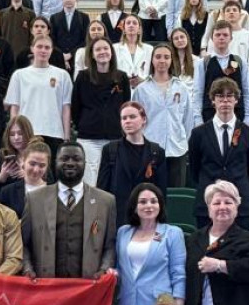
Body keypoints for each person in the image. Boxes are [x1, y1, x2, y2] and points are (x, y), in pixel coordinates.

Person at [21, 142, 116, 278]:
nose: (70, 163)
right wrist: (28, 270)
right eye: (64, 158)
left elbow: (110, 246)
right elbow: (24, 244)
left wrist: (104, 270)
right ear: (55, 162)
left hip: (89, 285)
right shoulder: (34, 200)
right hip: (46, 284)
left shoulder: (106, 201)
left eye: (76, 159)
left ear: (85, 163)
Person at [115, 183, 186, 305]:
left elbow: (178, 272)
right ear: (134, 206)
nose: (149, 206)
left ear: (160, 205)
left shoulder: (172, 233)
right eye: (143, 202)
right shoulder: (123, 232)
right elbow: (119, 268)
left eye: (154, 201)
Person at [188, 79, 249, 230]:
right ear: (212, 100)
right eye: (220, 96)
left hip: (240, 204)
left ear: (236, 100)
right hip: (207, 206)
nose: (225, 100)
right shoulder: (198, 133)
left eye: (229, 96)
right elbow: (194, 169)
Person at [132, 43, 195, 188]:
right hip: (150, 150)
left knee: (175, 194)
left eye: (166, 57)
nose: (162, 60)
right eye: (158, 57)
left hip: (177, 150)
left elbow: (188, 119)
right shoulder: (141, 90)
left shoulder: (181, 88)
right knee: (151, 193)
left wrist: (182, 140)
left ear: (172, 60)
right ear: (152, 60)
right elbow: (136, 121)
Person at [98, 102, 168, 227]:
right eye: (124, 118)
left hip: (146, 220)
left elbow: (161, 192)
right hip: (117, 218)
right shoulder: (110, 150)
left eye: (132, 117)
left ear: (143, 119)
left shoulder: (157, 152)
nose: (127, 121)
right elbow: (102, 189)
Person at [73, 37, 131, 185]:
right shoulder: (82, 77)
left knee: (115, 181)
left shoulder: (122, 77)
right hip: (89, 138)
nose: (102, 52)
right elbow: (75, 107)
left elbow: (126, 106)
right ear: (92, 54)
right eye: (98, 49)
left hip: (115, 137)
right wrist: (86, 124)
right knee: (90, 183)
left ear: (112, 52)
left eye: (106, 48)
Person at [5, 35, 72, 152]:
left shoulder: (62, 75)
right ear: (32, 48)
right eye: (39, 46)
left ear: (52, 50)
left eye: (47, 47)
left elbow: (66, 107)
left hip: (54, 132)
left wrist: (66, 136)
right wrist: (16, 132)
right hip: (27, 132)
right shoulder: (19, 75)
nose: (43, 50)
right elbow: (15, 107)